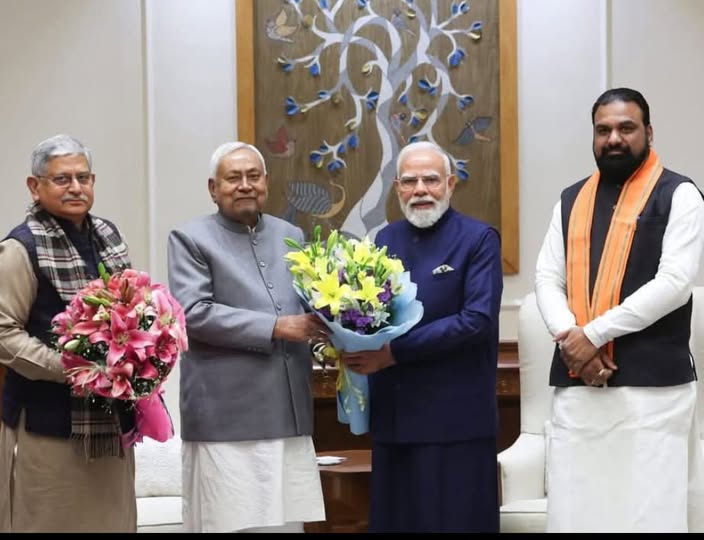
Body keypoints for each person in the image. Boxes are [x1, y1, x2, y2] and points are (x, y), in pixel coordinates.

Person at [535, 87, 704, 532]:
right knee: (577, 513)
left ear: (649, 132)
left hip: (653, 392)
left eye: (626, 128)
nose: (614, 138)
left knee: (648, 515)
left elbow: (674, 283)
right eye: (603, 129)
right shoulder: (570, 199)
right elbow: (547, 279)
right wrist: (574, 343)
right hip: (578, 386)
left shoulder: (680, 194)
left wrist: (592, 335)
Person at [339, 140, 504, 533]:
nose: (420, 190)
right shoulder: (383, 241)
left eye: (431, 180)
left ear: (450, 184)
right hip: (395, 421)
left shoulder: (479, 239)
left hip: (457, 424)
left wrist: (393, 352)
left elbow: (476, 320)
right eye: (410, 182)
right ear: (397, 188)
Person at [166, 141, 328, 533]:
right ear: (213, 188)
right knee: (228, 524)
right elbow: (193, 313)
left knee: (286, 526)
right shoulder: (189, 238)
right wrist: (277, 327)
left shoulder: (290, 234)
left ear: (266, 183)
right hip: (225, 419)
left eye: (253, 176)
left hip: (287, 413)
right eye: (233, 178)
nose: (244, 185)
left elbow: (314, 301)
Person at [0, 134, 136, 532]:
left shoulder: (108, 237)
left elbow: (132, 313)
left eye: (83, 177)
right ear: (35, 186)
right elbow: (4, 333)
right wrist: (73, 369)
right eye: (62, 179)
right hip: (47, 426)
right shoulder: (20, 248)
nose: (76, 187)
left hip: (110, 421)